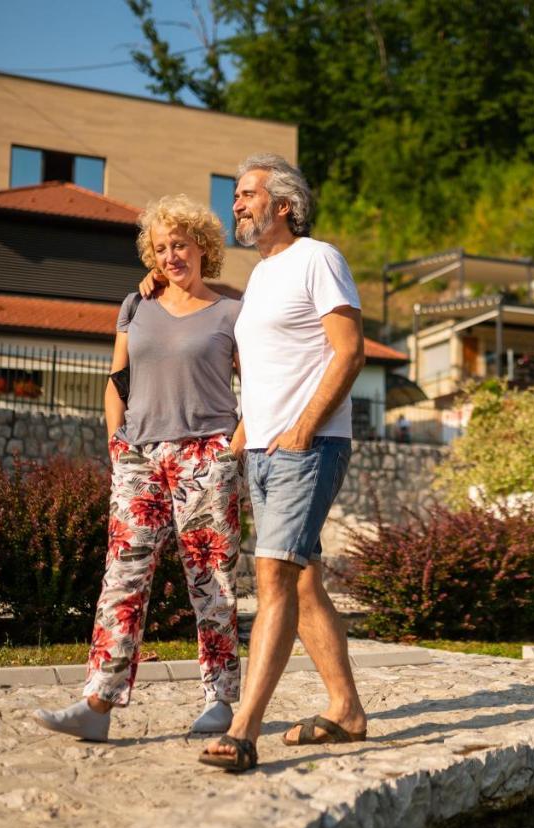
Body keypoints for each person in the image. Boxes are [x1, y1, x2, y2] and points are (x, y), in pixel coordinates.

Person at [33, 195, 244, 742]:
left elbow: (262, 385)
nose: (172, 255)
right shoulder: (136, 305)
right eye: (161, 247)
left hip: (205, 455)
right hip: (138, 456)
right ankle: (97, 704)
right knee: (121, 578)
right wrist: (115, 441)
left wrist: (233, 450)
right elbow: (117, 381)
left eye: (180, 244)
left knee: (212, 582)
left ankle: (220, 699)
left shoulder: (231, 312)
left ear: (203, 246)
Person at [195, 153, 368, 772]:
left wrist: (302, 429)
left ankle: (244, 729)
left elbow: (349, 353)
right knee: (300, 579)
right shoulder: (263, 276)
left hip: (309, 446)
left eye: (246, 194)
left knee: (270, 579)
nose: (235, 204)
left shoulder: (317, 258)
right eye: (236, 195)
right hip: (266, 448)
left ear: (283, 205)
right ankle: (346, 710)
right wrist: (244, 435)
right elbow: (272, 371)